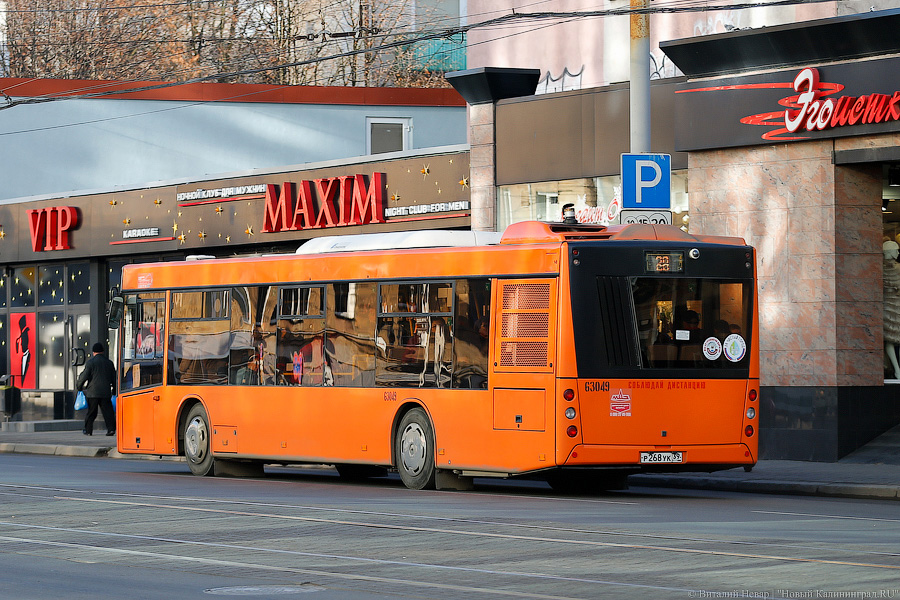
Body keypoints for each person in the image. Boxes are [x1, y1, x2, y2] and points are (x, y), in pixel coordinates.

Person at [76, 342, 117, 436]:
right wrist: (114, 390)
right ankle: (111, 429)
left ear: (94, 352)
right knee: (108, 412)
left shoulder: (90, 363)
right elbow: (114, 379)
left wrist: (79, 387)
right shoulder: (109, 363)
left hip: (92, 392)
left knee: (91, 412)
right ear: (102, 351)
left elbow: (84, 376)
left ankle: (88, 430)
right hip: (105, 392)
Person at [883, 241, 900, 379]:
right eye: (896, 250)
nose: (898, 253)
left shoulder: (880, 269)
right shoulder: (881, 269)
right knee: (891, 338)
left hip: (892, 305)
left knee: (893, 339)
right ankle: (897, 369)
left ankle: (897, 368)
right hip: (890, 307)